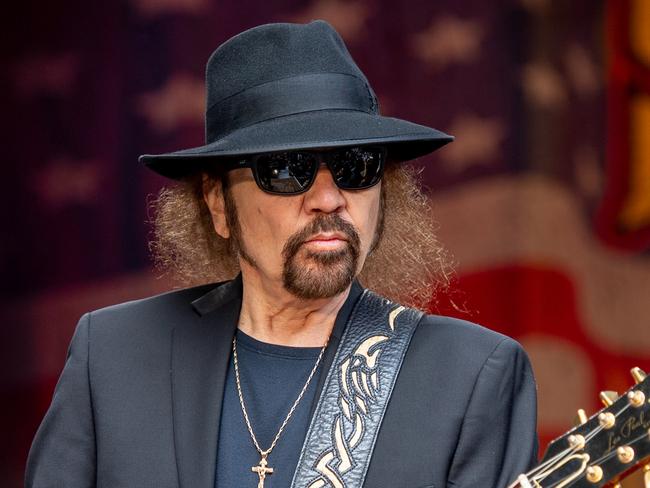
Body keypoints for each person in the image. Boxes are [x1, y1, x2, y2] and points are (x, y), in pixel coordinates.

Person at [26, 20, 538, 488]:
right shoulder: (112, 355)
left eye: (355, 166)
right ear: (217, 204)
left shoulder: (472, 375)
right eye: (287, 169)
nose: (329, 198)